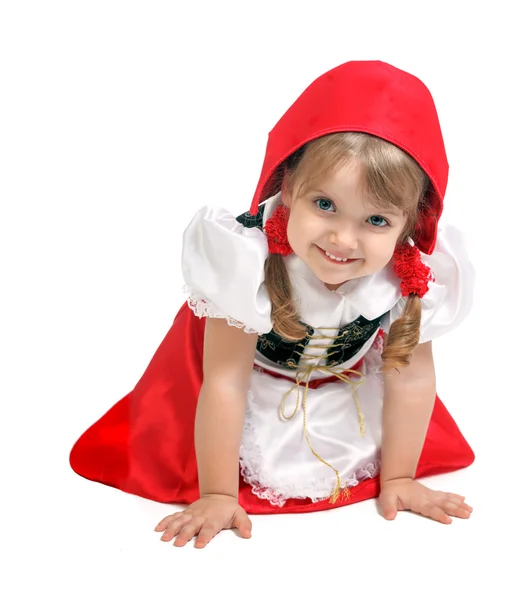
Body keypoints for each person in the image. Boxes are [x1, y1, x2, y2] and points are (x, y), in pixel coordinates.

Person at [70, 60, 475, 549]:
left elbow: (410, 379)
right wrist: (219, 493)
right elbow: (224, 380)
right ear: (288, 189)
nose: (343, 239)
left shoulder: (408, 279)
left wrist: (400, 479)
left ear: (409, 223)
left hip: (340, 388)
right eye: (324, 204)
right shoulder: (247, 262)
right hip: (245, 392)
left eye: (376, 220)